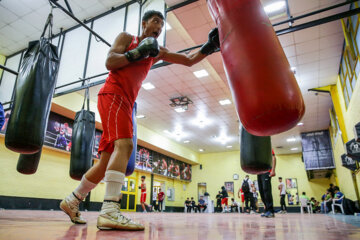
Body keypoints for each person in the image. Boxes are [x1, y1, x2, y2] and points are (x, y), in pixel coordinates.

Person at [59, 10, 219, 231]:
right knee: (125, 145)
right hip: (113, 94)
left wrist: (208, 47)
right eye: (155, 22)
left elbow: (189, 60)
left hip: (125, 101)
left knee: (106, 162)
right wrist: (136, 53)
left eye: (161, 25)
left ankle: (72, 201)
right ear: (144, 24)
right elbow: (109, 62)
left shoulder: (157, 52)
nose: (159, 27)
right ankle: (109, 211)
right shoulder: (127, 38)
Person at [257, 149, 276, 218]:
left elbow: (273, 157)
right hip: (259, 172)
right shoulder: (257, 149)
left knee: (266, 190)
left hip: (267, 170)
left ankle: (271, 211)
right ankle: (266, 209)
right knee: (261, 191)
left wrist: (273, 170)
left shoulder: (267, 146)